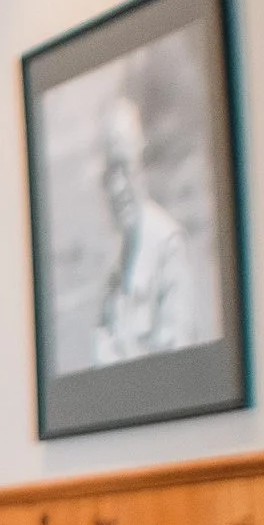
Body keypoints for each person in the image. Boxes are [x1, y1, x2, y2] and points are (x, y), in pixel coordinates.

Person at [91, 95, 208, 365]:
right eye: (109, 174)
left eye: (124, 168)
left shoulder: (168, 245)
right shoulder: (115, 265)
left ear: (140, 166)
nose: (117, 188)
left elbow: (181, 361)